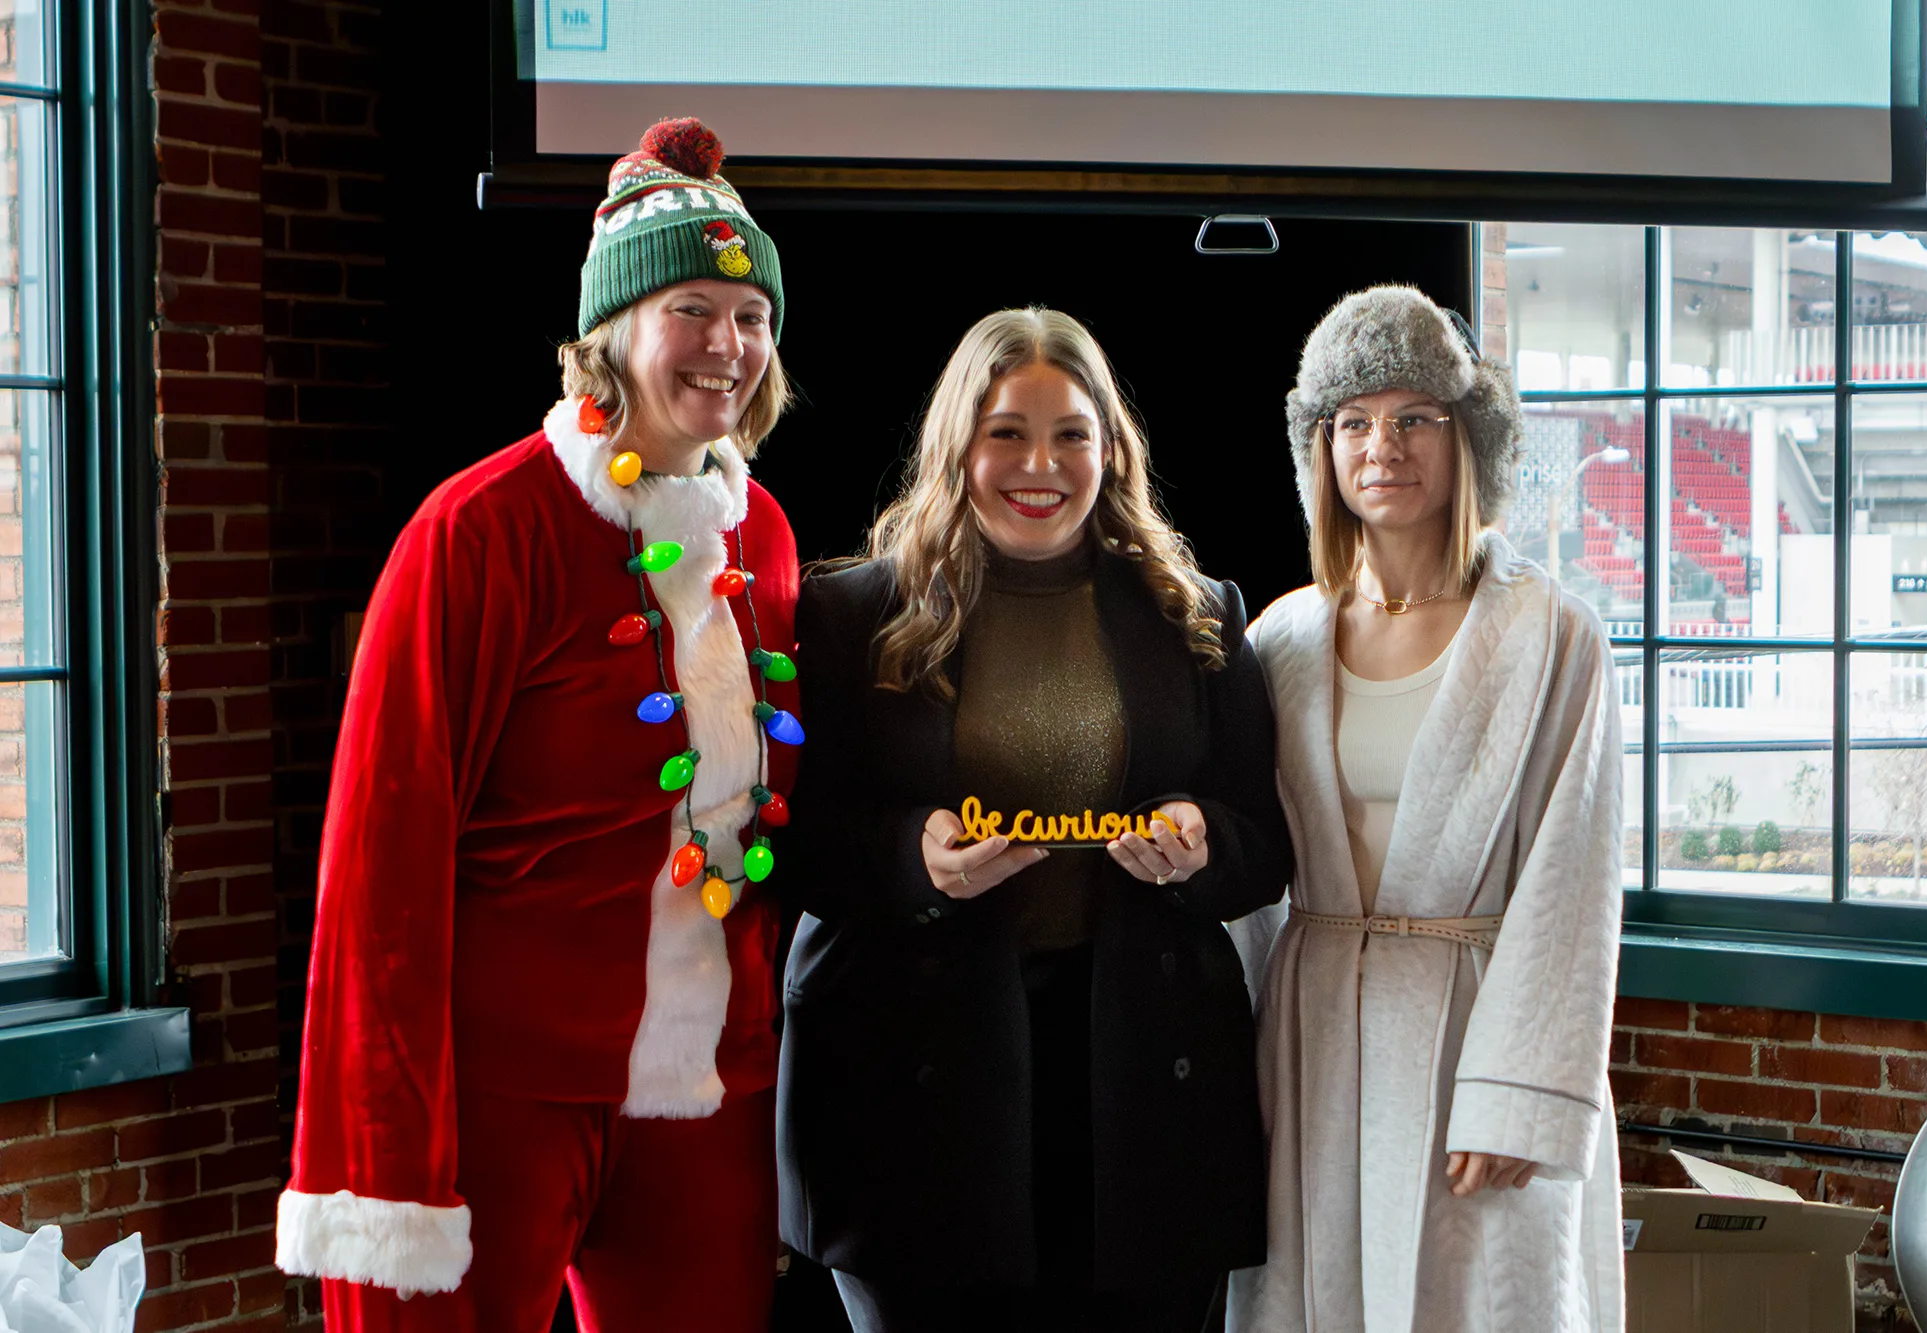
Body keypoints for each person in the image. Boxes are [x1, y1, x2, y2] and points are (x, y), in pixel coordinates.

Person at [275, 118, 801, 1332]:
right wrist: (390, 1153)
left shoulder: (762, 534)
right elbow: (380, 868)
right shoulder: (477, 532)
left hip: (711, 1087)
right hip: (504, 1088)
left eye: (750, 315)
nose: (727, 345)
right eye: (689, 308)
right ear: (608, 330)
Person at [778, 308, 1291, 1332]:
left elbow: (1263, 848)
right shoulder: (848, 615)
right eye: (1006, 432)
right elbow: (796, 844)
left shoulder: (1198, 615)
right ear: (956, 445)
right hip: (912, 1087)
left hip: (1139, 1085)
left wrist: (1200, 844)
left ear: (1111, 448)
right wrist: (913, 858)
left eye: (1070, 435)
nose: (1040, 465)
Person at [1228, 286, 1625, 1332]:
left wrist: (1520, 1093)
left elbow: (1573, 879)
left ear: (1468, 437)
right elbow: (1249, 877)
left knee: (1484, 1298)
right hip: (1315, 1036)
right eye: (1352, 421)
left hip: (1476, 1029)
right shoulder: (1280, 641)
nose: (1382, 446)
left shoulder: (1553, 636)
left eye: (1414, 417)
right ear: (1319, 449)